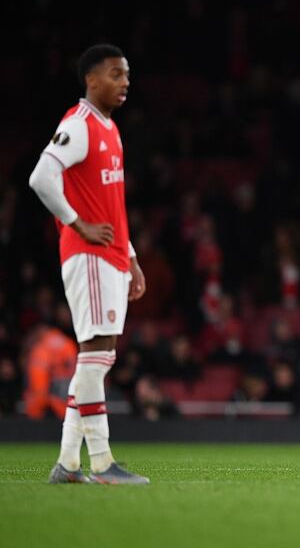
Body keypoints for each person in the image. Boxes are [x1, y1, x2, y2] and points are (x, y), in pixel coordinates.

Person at [27, 44, 149, 484]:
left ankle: (67, 463)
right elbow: (41, 177)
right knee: (96, 353)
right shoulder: (78, 125)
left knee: (98, 357)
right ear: (91, 80)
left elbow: (112, 204)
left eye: (127, 74)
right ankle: (101, 462)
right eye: (116, 74)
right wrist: (77, 223)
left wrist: (131, 257)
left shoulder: (110, 129)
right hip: (89, 255)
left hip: (111, 255)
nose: (125, 82)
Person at [23, 325, 77, 420]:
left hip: (48, 407)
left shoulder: (41, 348)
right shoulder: (68, 343)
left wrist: (35, 408)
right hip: (69, 404)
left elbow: (39, 383)